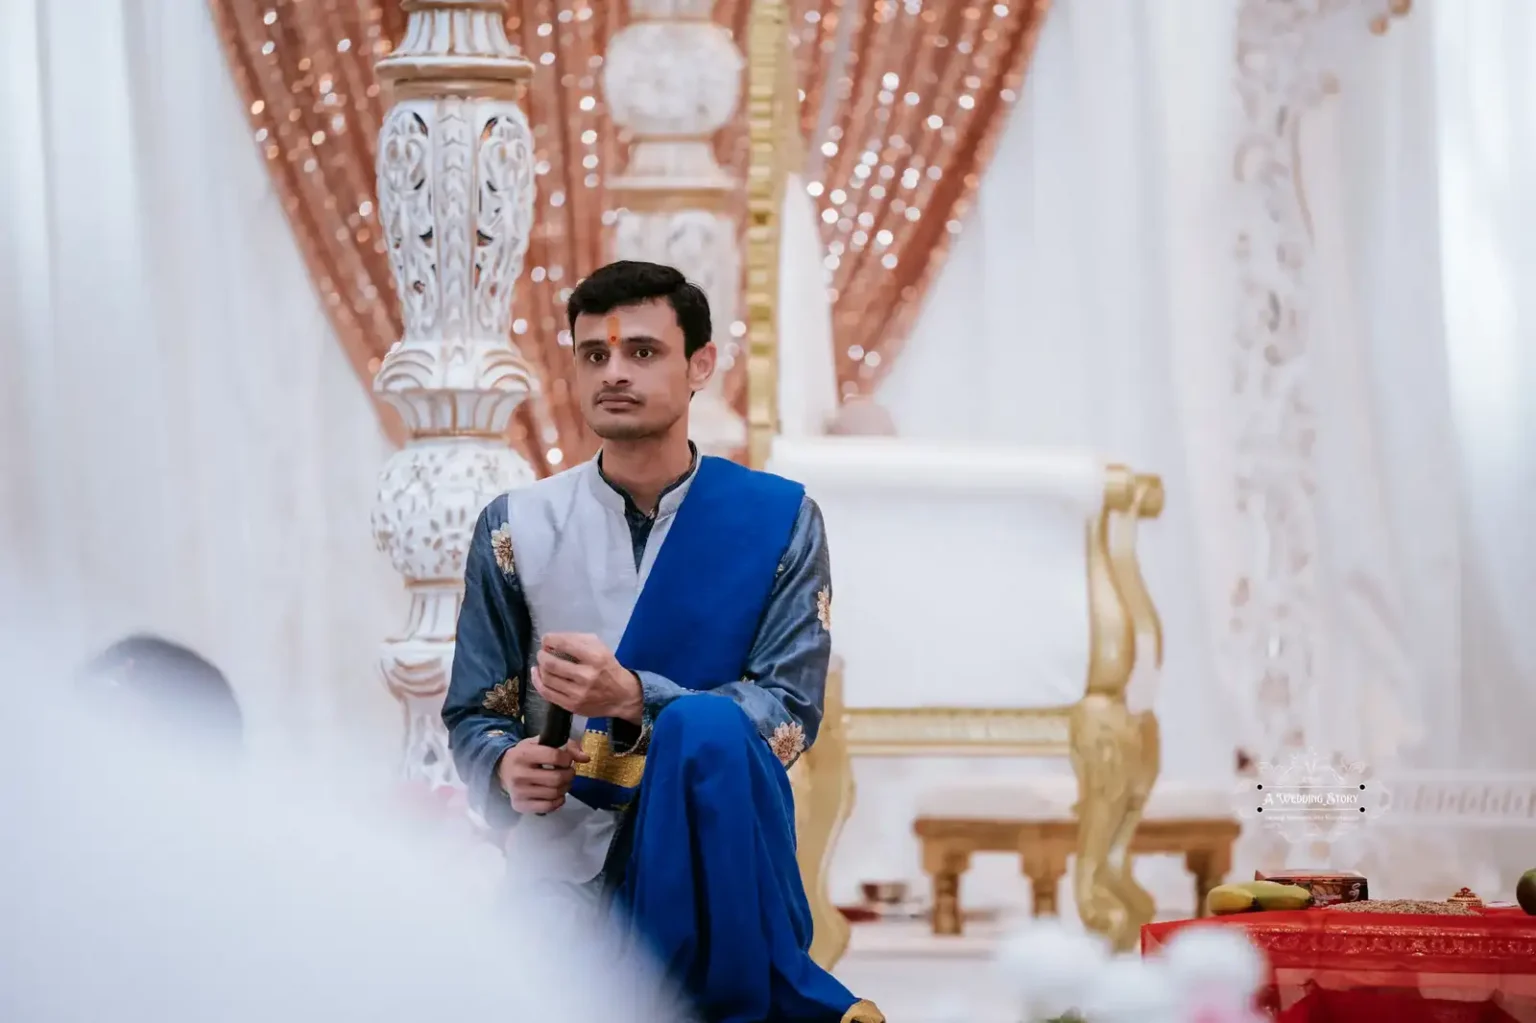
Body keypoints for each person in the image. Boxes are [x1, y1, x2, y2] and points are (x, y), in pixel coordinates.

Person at [442, 260, 882, 1023]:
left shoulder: (776, 520)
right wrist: (506, 764)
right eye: (594, 355)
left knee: (704, 724)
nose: (614, 372)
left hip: (721, 861)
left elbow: (786, 714)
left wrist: (638, 698)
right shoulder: (516, 526)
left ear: (700, 364)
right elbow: (475, 712)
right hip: (567, 863)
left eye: (642, 352)